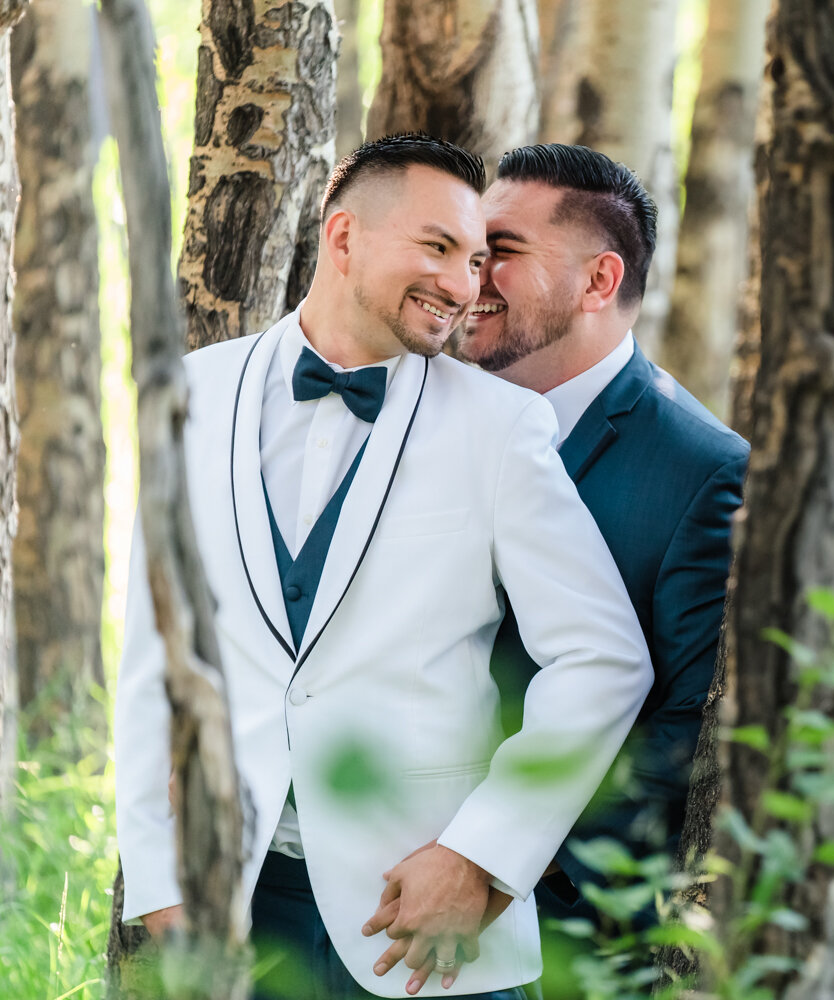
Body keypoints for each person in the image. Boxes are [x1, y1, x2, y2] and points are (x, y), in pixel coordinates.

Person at [113, 134, 653, 1000]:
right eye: (437, 247)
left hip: (426, 926)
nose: (462, 284)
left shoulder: (499, 427)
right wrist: (162, 886)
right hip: (239, 914)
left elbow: (603, 661)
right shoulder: (188, 397)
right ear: (342, 238)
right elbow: (153, 657)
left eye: (477, 260)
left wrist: (479, 857)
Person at [457, 143, 748, 993]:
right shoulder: (434, 412)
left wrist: (496, 858)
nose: (471, 275)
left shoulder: (703, 470)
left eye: (501, 252)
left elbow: (681, 736)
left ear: (597, 281)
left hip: (556, 930)